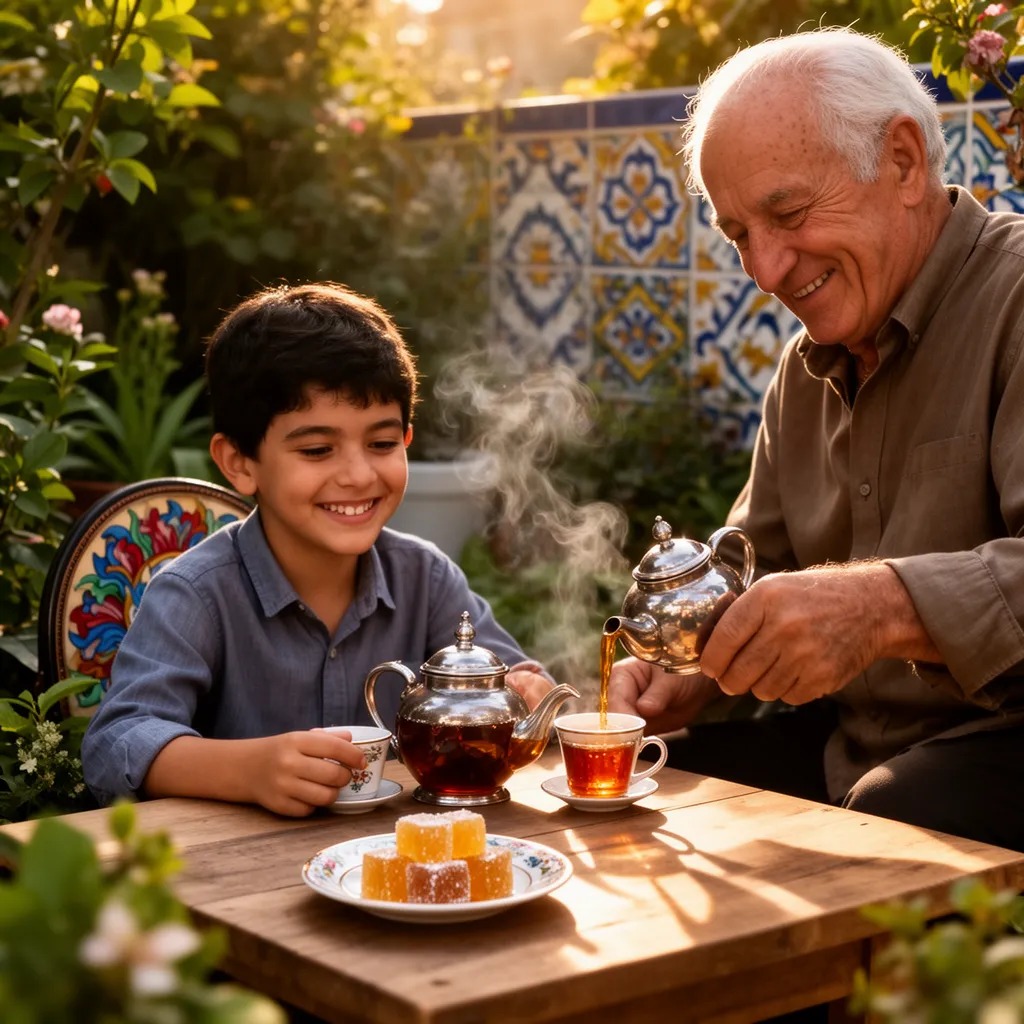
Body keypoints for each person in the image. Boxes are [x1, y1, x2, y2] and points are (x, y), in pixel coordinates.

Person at [610, 27, 1024, 852]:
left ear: (903, 161)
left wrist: (884, 605)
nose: (764, 270)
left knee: (891, 821)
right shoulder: (805, 373)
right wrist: (687, 665)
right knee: (660, 793)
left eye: (788, 213)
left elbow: (861, 606)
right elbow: (751, 570)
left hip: (1001, 747)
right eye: (738, 236)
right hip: (859, 756)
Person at [82, 282, 553, 816]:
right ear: (239, 462)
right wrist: (248, 770)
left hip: (400, 867)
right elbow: (115, 743)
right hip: (237, 880)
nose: (357, 475)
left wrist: (529, 691)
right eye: (316, 449)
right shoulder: (198, 594)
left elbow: (517, 685)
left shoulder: (425, 577)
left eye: (381, 443)